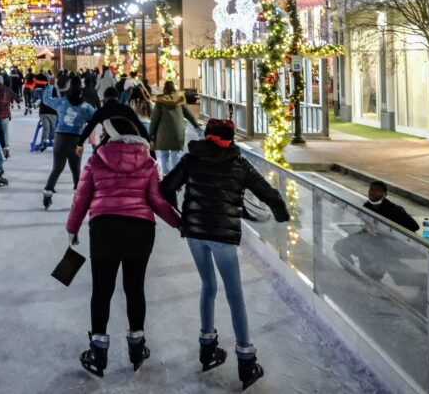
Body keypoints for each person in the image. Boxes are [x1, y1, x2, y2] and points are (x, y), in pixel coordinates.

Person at [160, 118, 290, 389]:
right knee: (234, 294)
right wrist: (282, 215)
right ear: (230, 139)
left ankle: (207, 347)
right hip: (221, 237)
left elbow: (166, 187)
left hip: (195, 234)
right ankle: (245, 358)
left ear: (207, 136)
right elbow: (268, 193)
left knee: (208, 286)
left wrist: (182, 217)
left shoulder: (191, 159)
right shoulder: (239, 164)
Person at [68, 116, 180, 378]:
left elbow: (81, 198)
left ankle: (98, 350)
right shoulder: (149, 162)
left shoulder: (96, 160)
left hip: (105, 229)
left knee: (102, 290)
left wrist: (72, 228)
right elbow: (157, 200)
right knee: (134, 287)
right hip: (140, 231)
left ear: (109, 135)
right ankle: (137, 346)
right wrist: (179, 223)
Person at [41, 76, 97, 210]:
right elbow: (95, 118)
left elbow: (46, 100)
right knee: (76, 171)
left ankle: (47, 194)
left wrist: (50, 86)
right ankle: (78, 200)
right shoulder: (86, 107)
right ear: (81, 91)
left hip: (60, 138)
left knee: (57, 169)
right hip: (76, 141)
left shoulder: (62, 102)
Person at [150, 81, 201, 177]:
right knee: (175, 155)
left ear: (164, 89)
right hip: (177, 132)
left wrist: (150, 134)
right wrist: (196, 126)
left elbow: (154, 119)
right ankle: (174, 176)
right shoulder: (180, 98)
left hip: (162, 133)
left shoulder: (160, 101)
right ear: (174, 88)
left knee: (164, 155)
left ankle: (165, 175)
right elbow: (188, 114)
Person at [34, 75, 57, 151]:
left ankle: (44, 141)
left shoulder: (45, 90)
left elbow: (41, 101)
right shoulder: (55, 90)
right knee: (53, 127)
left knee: (46, 127)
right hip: (52, 112)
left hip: (43, 112)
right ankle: (53, 142)